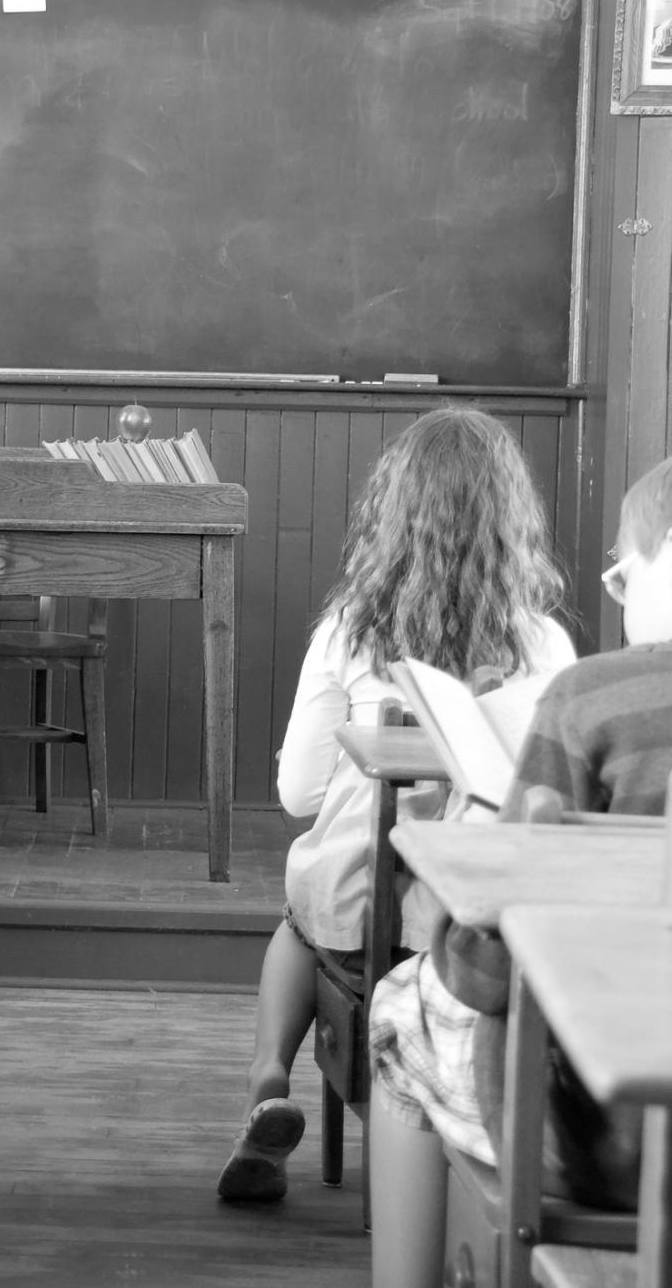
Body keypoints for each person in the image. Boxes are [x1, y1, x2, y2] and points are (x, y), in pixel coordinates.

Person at [217, 407, 575, 1204]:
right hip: (475, 925)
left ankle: (268, 1071)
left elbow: (297, 795)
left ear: (391, 511)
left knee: (301, 915)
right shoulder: (547, 644)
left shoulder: (349, 629)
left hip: (358, 916)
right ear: (515, 518)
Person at [366, 456, 672, 1288]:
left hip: (605, 1142)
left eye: (622, 571)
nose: (614, 592)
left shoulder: (590, 699)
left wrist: (443, 903)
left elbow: (487, 970)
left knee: (400, 1010)